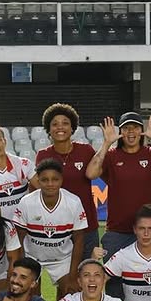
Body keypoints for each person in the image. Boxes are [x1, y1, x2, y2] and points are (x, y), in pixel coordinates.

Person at [85, 112, 151, 270]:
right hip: (117, 231)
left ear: (141, 131)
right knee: (114, 283)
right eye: (126, 128)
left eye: (135, 127)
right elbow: (91, 173)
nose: (131, 132)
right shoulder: (112, 156)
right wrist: (106, 143)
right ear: (120, 132)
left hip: (149, 229)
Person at [11, 159, 87, 295]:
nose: (50, 184)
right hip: (32, 257)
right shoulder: (27, 202)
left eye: (55, 179)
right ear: (38, 180)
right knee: (30, 298)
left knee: (68, 295)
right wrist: (23, 267)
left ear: (61, 180)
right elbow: (19, 237)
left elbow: (79, 239)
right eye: (45, 180)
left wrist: (73, 273)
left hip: (62, 259)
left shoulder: (73, 202)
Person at [37, 103, 99, 259]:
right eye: (55, 124)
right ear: (48, 129)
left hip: (87, 226)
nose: (60, 127)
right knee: (64, 279)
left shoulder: (86, 151)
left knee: (87, 274)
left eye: (65, 123)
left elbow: (106, 176)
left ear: (72, 127)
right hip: (59, 228)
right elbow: (38, 189)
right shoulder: (43, 155)